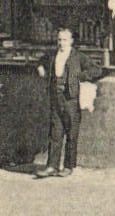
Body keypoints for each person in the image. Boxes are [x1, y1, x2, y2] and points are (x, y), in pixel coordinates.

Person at [35, 24, 84, 177]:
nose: (61, 43)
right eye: (59, 40)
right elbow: (40, 61)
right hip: (55, 97)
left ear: (71, 41)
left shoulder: (78, 56)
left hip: (71, 99)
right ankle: (52, 166)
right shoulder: (52, 54)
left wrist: (80, 78)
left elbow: (96, 69)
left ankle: (68, 166)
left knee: (71, 133)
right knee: (55, 133)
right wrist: (40, 67)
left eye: (64, 40)